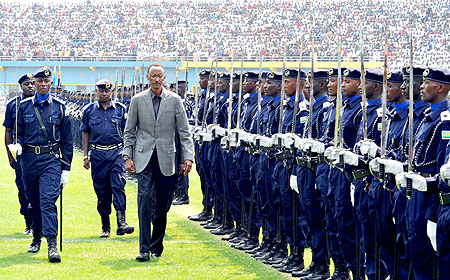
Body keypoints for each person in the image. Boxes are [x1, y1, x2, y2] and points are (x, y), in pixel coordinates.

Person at [121, 64, 193, 262]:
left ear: (164, 77)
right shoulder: (137, 100)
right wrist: (127, 156)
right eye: (153, 76)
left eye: (159, 76)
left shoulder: (175, 101)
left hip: (167, 158)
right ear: (148, 77)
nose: (156, 79)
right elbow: (129, 132)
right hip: (144, 159)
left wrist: (187, 157)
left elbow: (184, 132)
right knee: (144, 201)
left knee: (162, 205)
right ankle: (144, 249)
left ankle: (156, 244)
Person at [16, 67, 73, 263]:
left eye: (45, 81)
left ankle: (51, 245)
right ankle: (35, 238)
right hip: (29, 159)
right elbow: (19, 132)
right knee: (34, 201)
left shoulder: (60, 107)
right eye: (38, 81)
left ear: (51, 84)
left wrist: (66, 169)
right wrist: (18, 145)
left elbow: (67, 140)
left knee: (48, 201)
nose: (41, 84)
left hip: (51, 159)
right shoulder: (23, 107)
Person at [80, 79, 134, 238]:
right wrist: (86, 155)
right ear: (96, 91)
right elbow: (85, 132)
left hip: (117, 153)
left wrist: (128, 155)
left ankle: (121, 222)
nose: (104, 94)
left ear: (112, 92)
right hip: (97, 155)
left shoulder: (121, 109)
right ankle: (105, 226)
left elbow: (128, 133)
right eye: (101, 91)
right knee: (102, 192)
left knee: (118, 186)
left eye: (107, 91)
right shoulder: (89, 110)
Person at [3, 73, 35, 235]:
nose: (30, 86)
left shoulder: (42, 103)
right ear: (21, 87)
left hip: (39, 154)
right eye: (26, 84)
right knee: (23, 189)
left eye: (32, 83)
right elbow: (8, 132)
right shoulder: (13, 105)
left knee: (41, 190)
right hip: (21, 155)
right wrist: (10, 156)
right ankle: (28, 223)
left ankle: (38, 223)